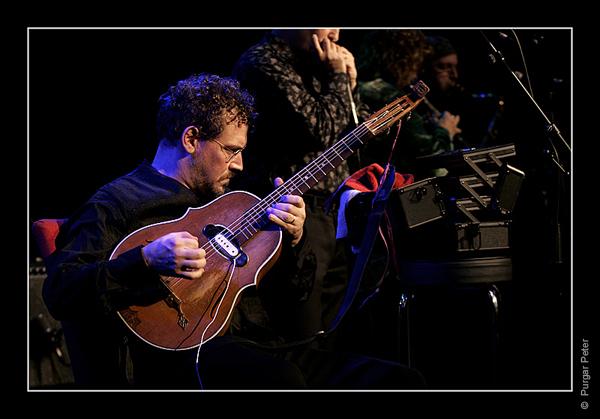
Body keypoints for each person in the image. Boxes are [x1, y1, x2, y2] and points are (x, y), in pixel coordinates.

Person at [42, 73, 425, 389]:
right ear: (191, 139)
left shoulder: (236, 207)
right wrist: (143, 260)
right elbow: (61, 291)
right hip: (183, 357)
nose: (240, 164)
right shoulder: (116, 202)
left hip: (265, 345)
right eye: (230, 150)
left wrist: (294, 241)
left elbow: (294, 303)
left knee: (400, 379)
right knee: (281, 380)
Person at [231, 29, 365, 343]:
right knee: (304, 324)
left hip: (333, 206)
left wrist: (351, 82)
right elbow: (319, 128)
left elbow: (354, 136)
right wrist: (338, 78)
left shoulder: (318, 66)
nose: (334, 33)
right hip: (293, 210)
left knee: (337, 323)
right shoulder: (264, 61)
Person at [357, 30, 462, 178]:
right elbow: (438, 169)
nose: (416, 70)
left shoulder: (357, 87)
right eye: (416, 61)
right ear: (405, 59)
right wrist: (445, 131)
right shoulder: (391, 97)